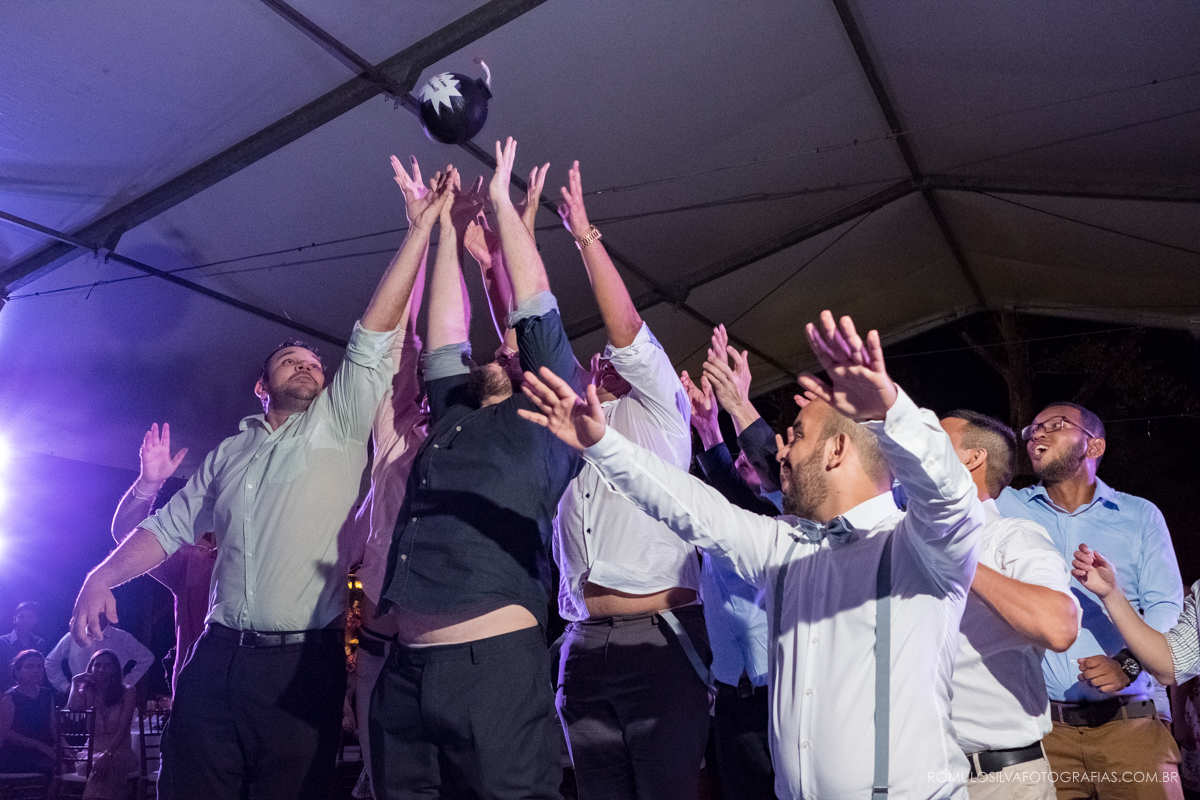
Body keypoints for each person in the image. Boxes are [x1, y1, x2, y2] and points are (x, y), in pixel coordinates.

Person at [66, 160, 456, 800]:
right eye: (290, 361)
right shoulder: (228, 455)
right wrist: (99, 575)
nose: (307, 366)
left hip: (303, 661)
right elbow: (164, 529)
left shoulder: (339, 420)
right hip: (215, 657)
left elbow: (373, 336)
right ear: (262, 384)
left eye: (312, 363)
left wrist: (416, 232)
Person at [519, 310, 985, 800]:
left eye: (798, 437)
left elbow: (950, 495)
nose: (780, 453)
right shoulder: (785, 546)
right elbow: (690, 507)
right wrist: (603, 444)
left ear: (838, 450)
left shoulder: (921, 547)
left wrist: (890, 413)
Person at [369, 139, 582, 800]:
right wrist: (445, 233)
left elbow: (535, 303)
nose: (499, 345)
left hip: (491, 672)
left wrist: (500, 207)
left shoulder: (546, 417)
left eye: (509, 343)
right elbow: (444, 335)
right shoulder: (455, 417)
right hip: (405, 675)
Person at [551, 160, 708, 800]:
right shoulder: (562, 428)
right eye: (598, 358)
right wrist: (490, 267)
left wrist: (586, 237)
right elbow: (526, 341)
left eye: (618, 357)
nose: (606, 358)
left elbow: (628, 332)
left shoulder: (660, 412)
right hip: (581, 648)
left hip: (660, 644)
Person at [997, 402, 1184, 800]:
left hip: (1130, 729)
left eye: (1055, 425)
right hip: (1045, 735)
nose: (1037, 434)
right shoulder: (1004, 508)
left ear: (1094, 447)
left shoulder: (1139, 515)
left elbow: (1166, 610)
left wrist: (1128, 666)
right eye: (1033, 429)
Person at [938, 410, 1079, 798]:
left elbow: (1059, 625)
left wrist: (961, 561)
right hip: (924, 777)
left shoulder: (1010, 536)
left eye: (935, 439)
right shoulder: (904, 541)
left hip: (1001, 781)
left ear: (973, 458)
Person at [681, 363, 777, 800]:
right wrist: (704, 428)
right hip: (731, 697)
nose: (742, 464)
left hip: (774, 692)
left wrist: (714, 437)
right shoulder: (719, 524)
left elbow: (737, 500)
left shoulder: (778, 523)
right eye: (737, 461)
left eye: (748, 461)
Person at [110, 422, 217, 692]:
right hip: (198, 697)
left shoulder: (272, 550)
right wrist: (148, 485)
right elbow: (126, 535)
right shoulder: (196, 560)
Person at [66, 650, 138, 800]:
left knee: (108, 765)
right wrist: (74, 682)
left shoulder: (127, 691)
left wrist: (107, 754)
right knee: (101, 767)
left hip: (120, 751)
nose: (101, 669)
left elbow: (124, 728)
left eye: (107, 665)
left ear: (114, 668)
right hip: (91, 752)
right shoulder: (86, 692)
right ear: (90, 668)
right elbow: (73, 708)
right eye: (97, 665)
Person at [46, 622, 154, 697]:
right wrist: (66, 687)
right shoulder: (73, 637)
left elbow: (147, 658)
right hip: (80, 699)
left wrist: (125, 682)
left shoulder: (122, 637)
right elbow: (51, 662)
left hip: (111, 700)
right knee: (78, 729)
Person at [0, 650, 57, 776]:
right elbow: (5, 732)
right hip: (18, 753)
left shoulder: (47, 694)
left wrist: (63, 745)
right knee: (55, 769)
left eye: (39, 666)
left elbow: (53, 725)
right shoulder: (10, 697)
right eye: (30, 666)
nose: (35, 670)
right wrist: (38, 745)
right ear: (17, 671)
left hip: (44, 749)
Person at [0, 603, 45, 690]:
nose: (26, 620)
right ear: (14, 619)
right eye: (22, 617)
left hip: (33, 693)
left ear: (36, 620)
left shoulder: (39, 643)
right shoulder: (2, 642)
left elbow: (42, 671)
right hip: (4, 693)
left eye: (30, 617)